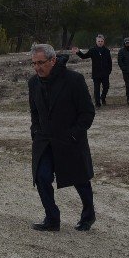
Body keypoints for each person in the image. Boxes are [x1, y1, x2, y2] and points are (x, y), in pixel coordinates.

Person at [28, 43, 96, 232]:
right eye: (34, 63)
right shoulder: (33, 83)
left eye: (41, 62)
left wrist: (74, 134)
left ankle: (88, 215)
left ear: (53, 60)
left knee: (80, 180)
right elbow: (34, 112)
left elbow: (87, 113)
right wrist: (35, 130)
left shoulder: (74, 80)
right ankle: (52, 218)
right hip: (44, 140)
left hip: (70, 139)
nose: (37, 67)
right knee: (41, 177)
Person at [74, 34, 113, 108]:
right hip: (96, 73)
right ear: (96, 41)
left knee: (106, 87)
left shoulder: (107, 51)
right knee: (96, 89)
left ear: (104, 42)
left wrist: (109, 71)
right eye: (99, 41)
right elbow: (84, 56)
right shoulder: (92, 50)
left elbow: (109, 62)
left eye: (101, 41)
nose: (100, 42)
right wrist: (78, 52)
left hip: (105, 73)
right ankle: (97, 103)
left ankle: (103, 97)